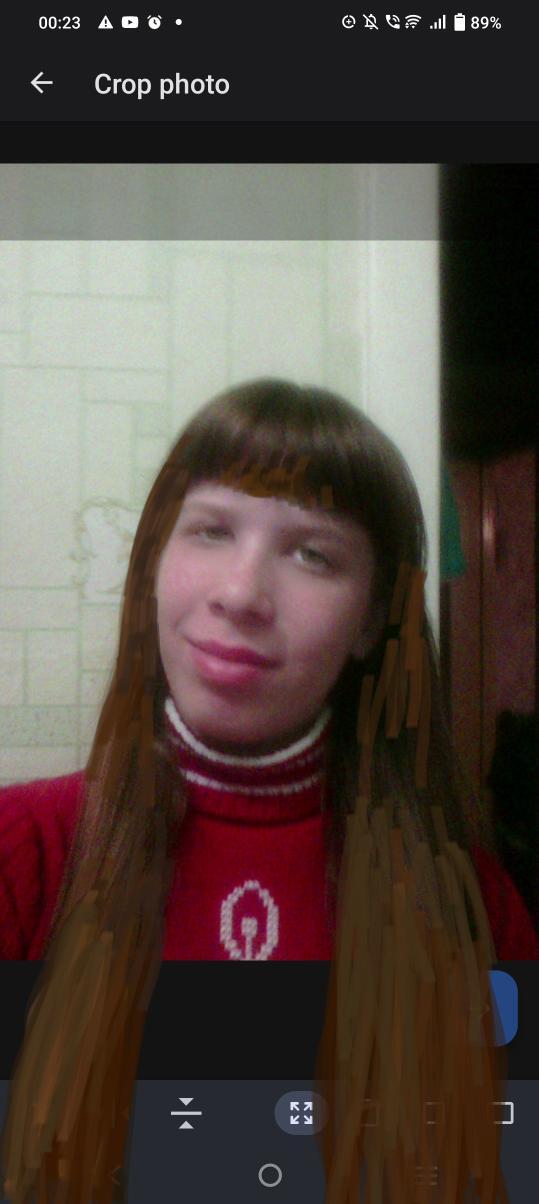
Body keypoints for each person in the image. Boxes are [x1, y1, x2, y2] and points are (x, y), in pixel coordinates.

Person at [0, 378, 535, 1203]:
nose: (241, 594)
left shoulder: (470, 905)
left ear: (371, 622)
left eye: (312, 554)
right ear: (154, 564)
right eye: (211, 530)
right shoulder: (24, 852)